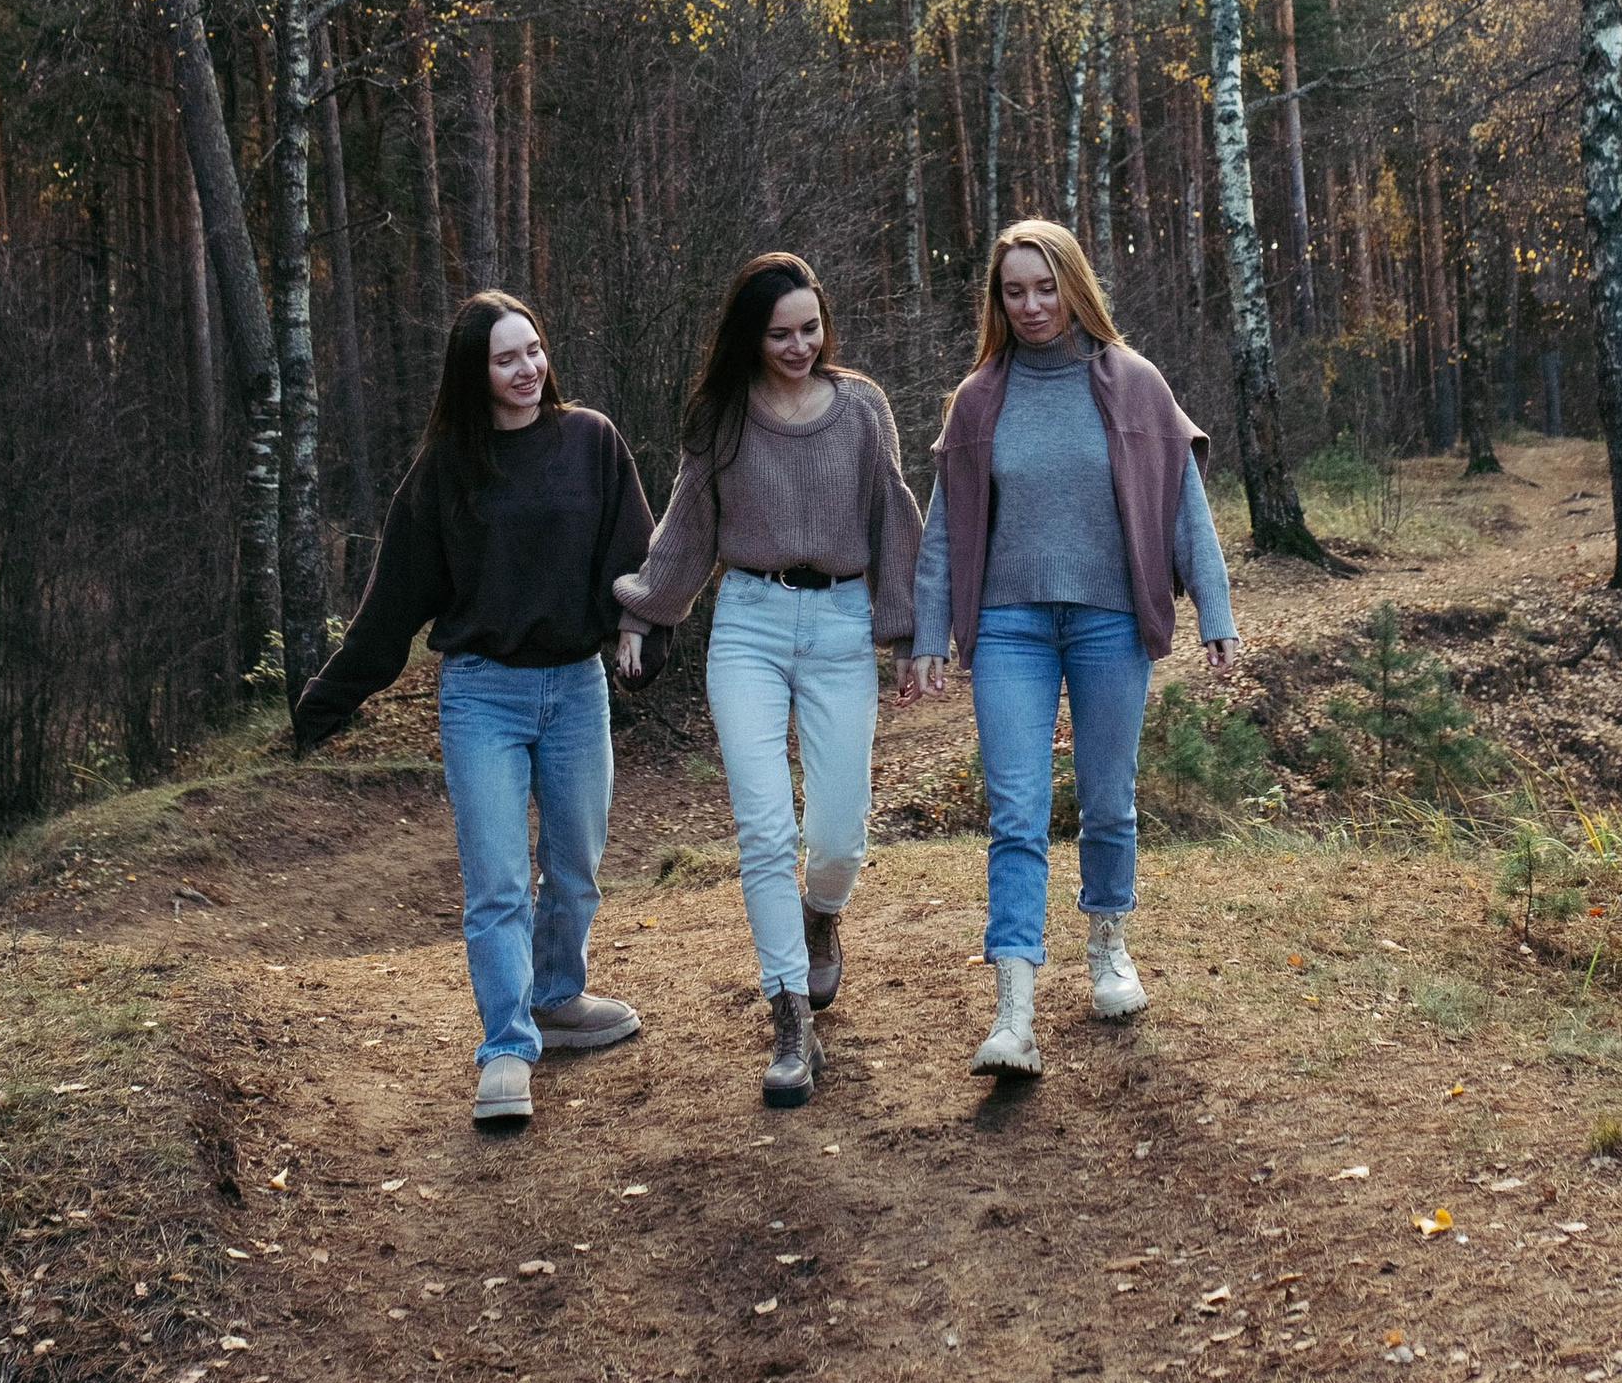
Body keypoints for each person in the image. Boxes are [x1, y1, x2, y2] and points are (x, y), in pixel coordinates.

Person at [292, 291, 653, 1138]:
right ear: (474, 373)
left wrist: (642, 634)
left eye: (534, 350)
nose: (528, 369)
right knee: (495, 883)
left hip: (576, 687)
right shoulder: (445, 471)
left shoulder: (592, 442)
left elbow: (637, 558)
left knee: (576, 866)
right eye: (506, 358)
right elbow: (391, 608)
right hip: (482, 694)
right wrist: (327, 702)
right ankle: (505, 1045)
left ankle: (558, 998)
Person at [906, 217, 1238, 1077]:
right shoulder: (980, 397)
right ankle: (1013, 1011)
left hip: (1109, 622)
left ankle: (1108, 948)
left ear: (1075, 286)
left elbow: (1183, 508)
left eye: (1045, 287)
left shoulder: (1134, 384)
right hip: (1011, 624)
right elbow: (945, 529)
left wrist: (1217, 611)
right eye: (1014, 291)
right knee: (1015, 814)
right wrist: (929, 630)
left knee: (1108, 800)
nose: (1031, 306)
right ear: (997, 299)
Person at [615, 251, 924, 1110]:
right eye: (780, 333)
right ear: (751, 337)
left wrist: (906, 633)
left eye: (810, 329)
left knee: (837, 835)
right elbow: (685, 530)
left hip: (839, 626)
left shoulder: (862, 409)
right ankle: (790, 1016)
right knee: (762, 830)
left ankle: (822, 914)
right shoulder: (722, 419)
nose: (798, 346)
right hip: (747, 623)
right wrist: (644, 610)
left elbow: (893, 519)